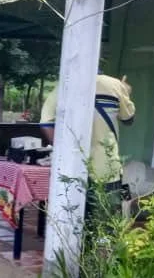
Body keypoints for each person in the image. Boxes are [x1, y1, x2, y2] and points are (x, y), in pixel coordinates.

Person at [39, 73, 136, 222]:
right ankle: (102, 244)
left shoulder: (64, 85)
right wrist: (125, 91)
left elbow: (46, 123)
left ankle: (75, 245)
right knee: (105, 223)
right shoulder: (114, 85)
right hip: (107, 168)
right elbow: (128, 119)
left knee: (72, 220)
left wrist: (65, 154)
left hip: (72, 169)